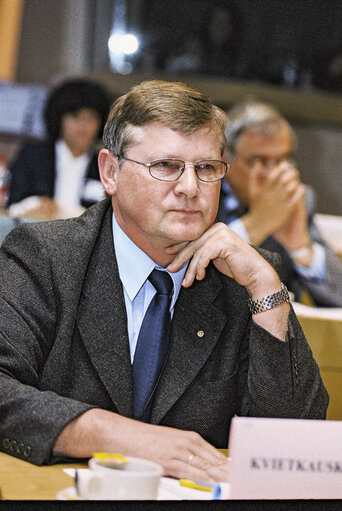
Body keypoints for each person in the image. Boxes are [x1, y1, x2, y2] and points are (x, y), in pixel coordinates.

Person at [0, 80, 328, 484]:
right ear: (110, 172)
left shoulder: (244, 278)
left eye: (206, 168)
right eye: (166, 166)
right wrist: (123, 438)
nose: (191, 188)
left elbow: (297, 446)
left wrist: (266, 289)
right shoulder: (46, 257)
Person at [216, 101, 342, 307]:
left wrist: (301, 248)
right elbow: (190, 278)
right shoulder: (201, 192)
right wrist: (256, 223)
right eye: (259, 161)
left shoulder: (294, 197)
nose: (272, 174)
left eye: (282, 160)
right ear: (225, 157)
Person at [7, 78, 111, 219]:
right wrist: (34, 204)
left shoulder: (105, 166)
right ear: (59, 117)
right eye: (75, 116)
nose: (83, 125)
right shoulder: (33, 155)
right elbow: (11, 205)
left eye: (91, 118)